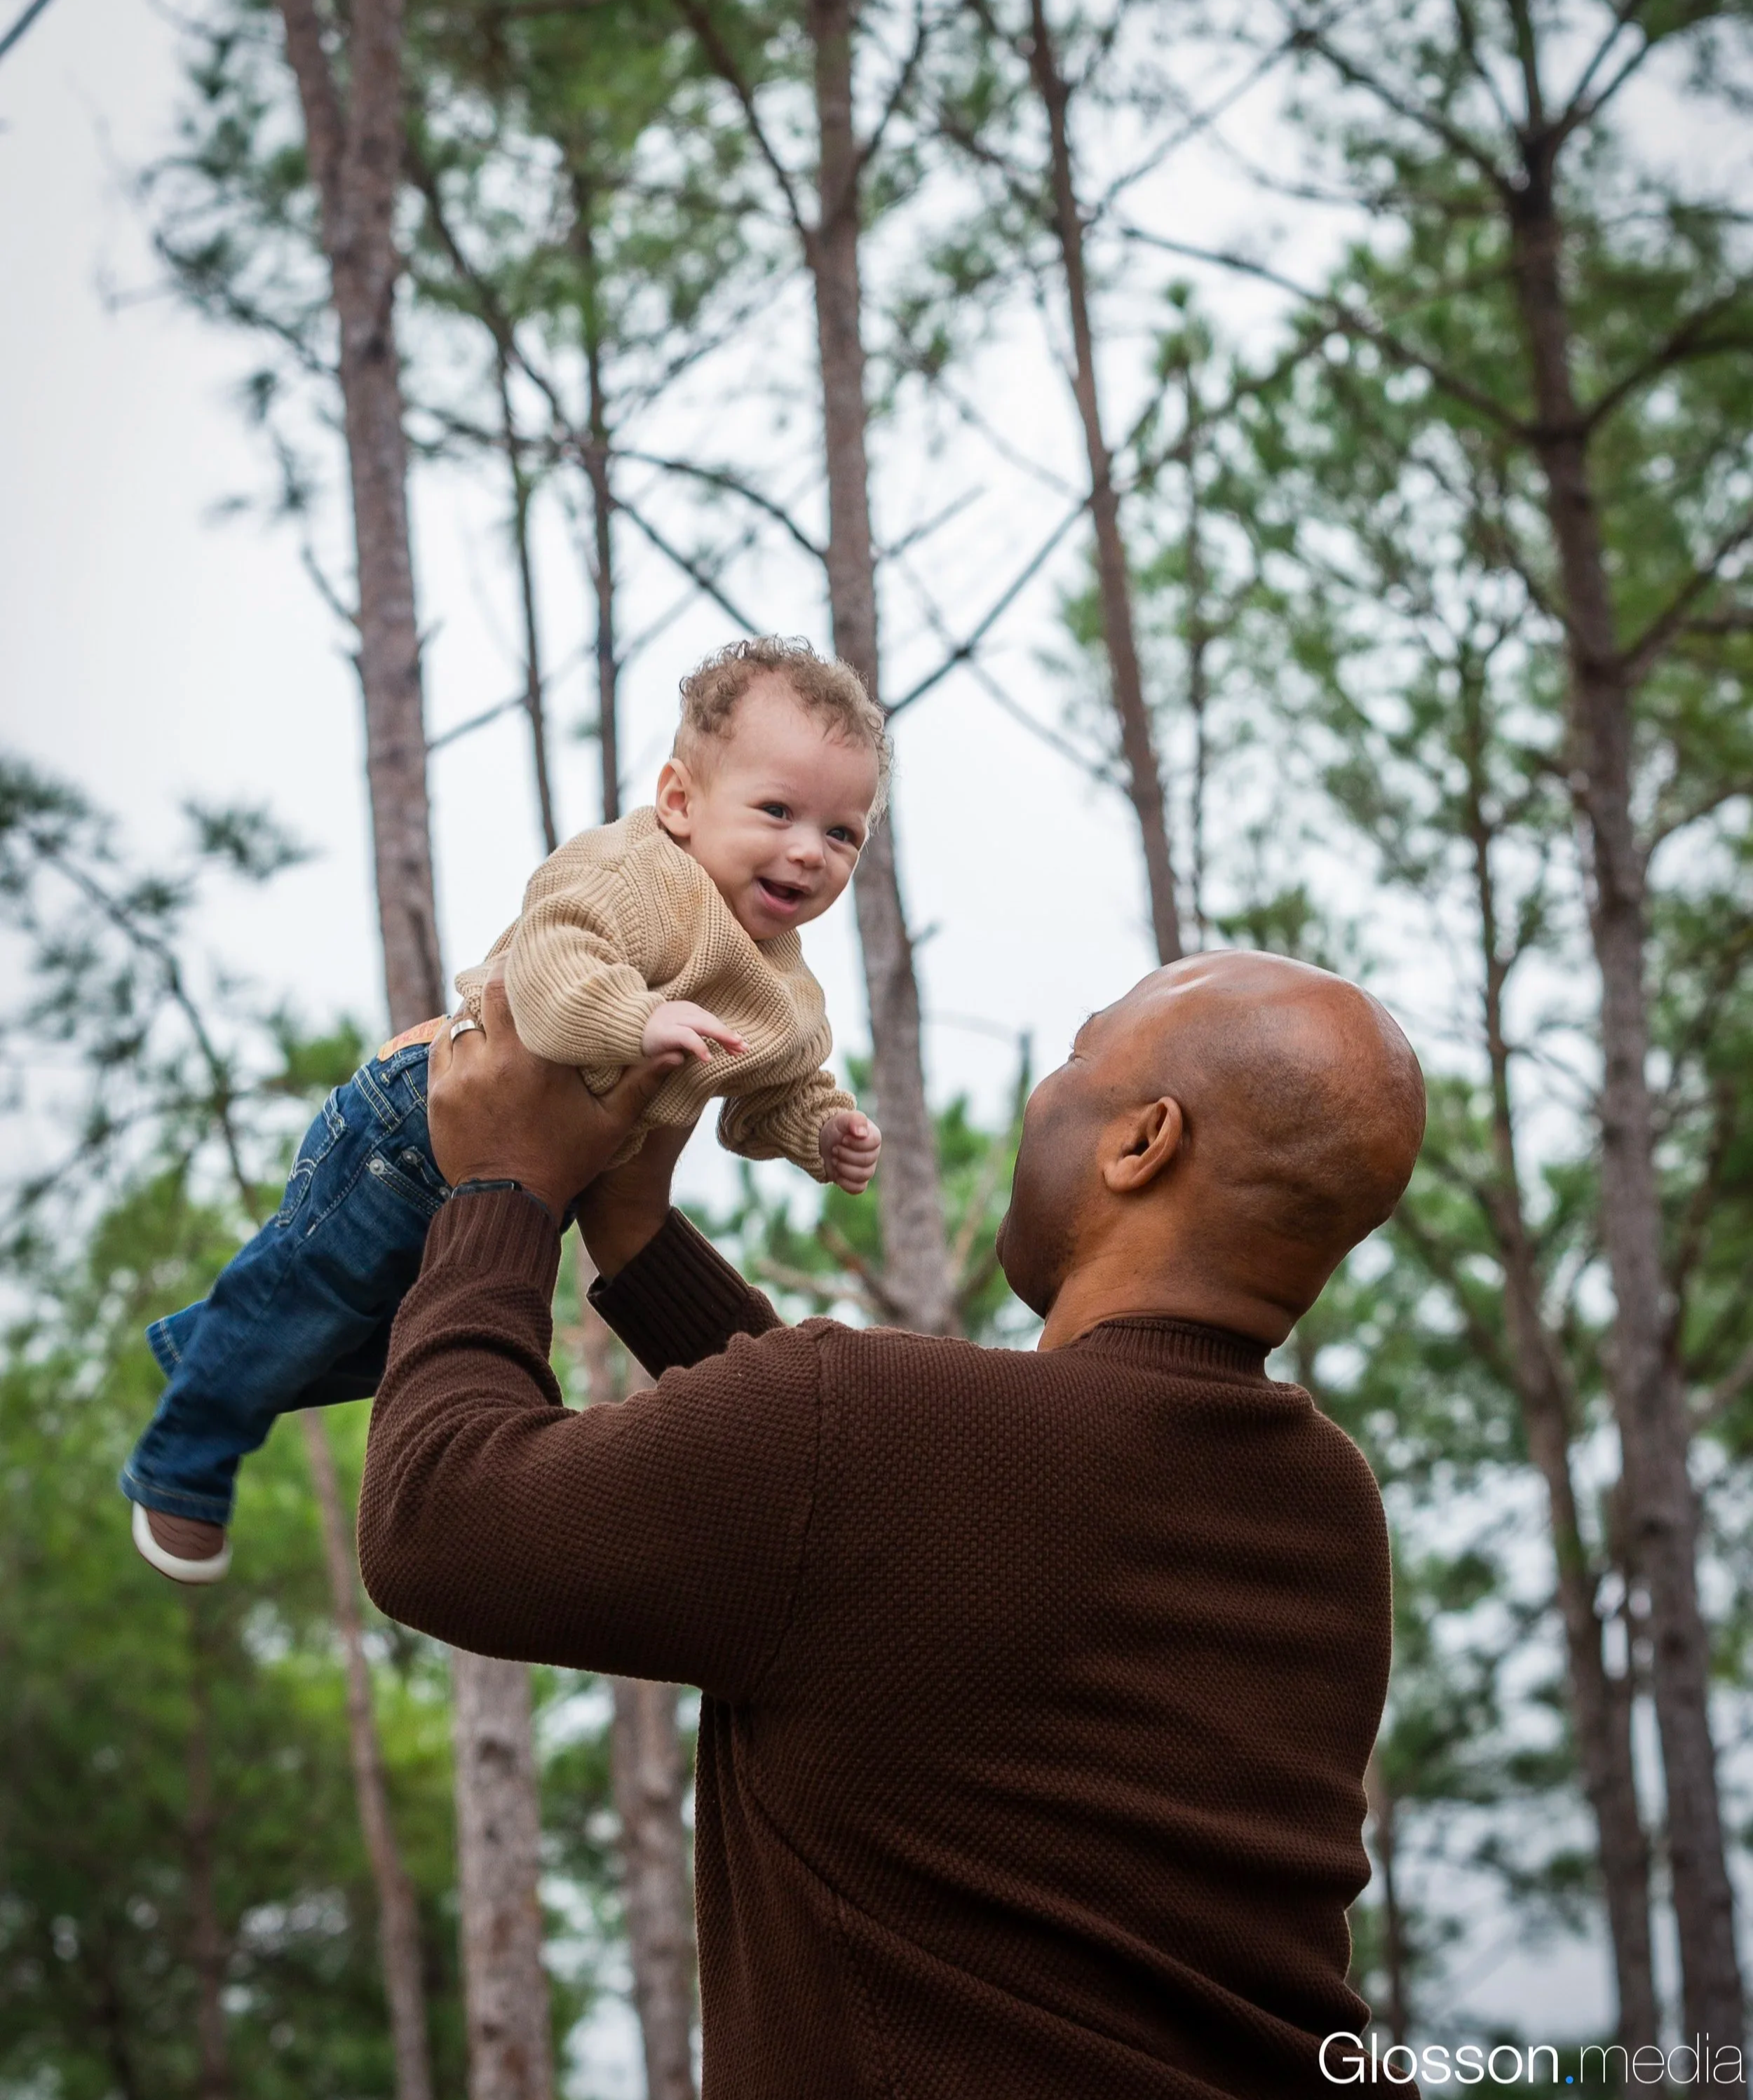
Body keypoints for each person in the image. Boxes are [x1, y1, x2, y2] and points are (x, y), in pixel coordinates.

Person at [356, 949, 1427, 2099]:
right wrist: (639, 1238)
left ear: (1142, 1143)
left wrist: (499, 1190)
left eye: (1075, 1055)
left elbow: (437, 1511)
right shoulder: (1326, 1507)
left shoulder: (875, 1443)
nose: (1042, 1090)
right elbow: (897, 1520)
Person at [123, 636, 884, 1584]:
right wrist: (639, 1018)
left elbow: (778, 1084)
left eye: (843, 833)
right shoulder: (636, 876)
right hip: (411, 1133)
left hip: (531, 1189)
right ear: (681, 801)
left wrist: (820, 1131)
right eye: (777, 811)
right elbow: (553, 964)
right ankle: (180, 1467)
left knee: (372, 1338)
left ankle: (216, 1343)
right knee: (315, 1294)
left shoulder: (785, 987)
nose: (809, 851)